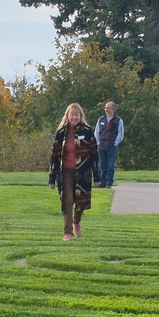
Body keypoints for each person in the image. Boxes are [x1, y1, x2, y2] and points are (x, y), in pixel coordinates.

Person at [49, 103, 98, 241]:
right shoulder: (61, 133)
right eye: (72, 115)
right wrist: (52, 177)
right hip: (65, 173)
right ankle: (68, 232)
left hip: (83, 173)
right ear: (68, 116)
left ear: (80, 116)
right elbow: (54, 155)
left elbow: (95, 154)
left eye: (77, 115)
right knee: (67, 201)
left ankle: (76, 221)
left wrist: (97, 175)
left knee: (81, 203)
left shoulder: (88, 131)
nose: (74, 117)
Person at [94, 101, 124, 188]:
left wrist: (115, 143)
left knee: (110, 165)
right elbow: (97, 131)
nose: (106, 110)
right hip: (102, 146)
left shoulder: (118, 120)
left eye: (108, 108)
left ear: (113, 109)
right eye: (105, 108)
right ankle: (102, 182)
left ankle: (109, 182)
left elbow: (120, 133)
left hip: (112, 146)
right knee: (102, 165)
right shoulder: (101, 119)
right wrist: (98, 142)